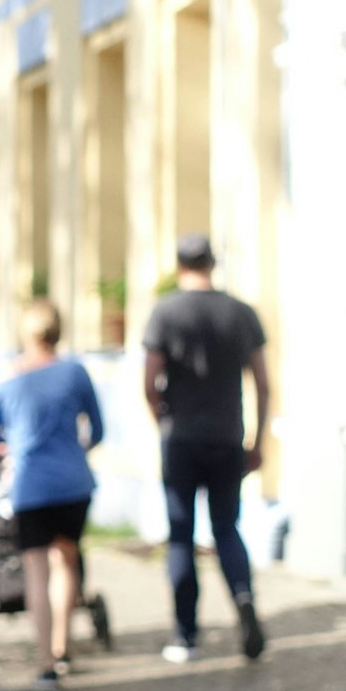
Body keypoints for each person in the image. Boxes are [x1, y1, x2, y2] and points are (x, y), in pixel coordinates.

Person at [142, 234, 270, 663]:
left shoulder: (166, 313)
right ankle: (244, 598)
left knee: (181, 536)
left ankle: (185, 636)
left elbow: (149, 379)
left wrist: (162, 418)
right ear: (212, 263)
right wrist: (258, 439)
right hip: (227, 437)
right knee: (227, 528)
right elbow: (264, 383)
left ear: (179, 266)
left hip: (181, 440)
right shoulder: (241, 313)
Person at [0, 299, 105, 691]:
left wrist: (4, 452)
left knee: (37, 569)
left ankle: (45, 662)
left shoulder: (4, 380)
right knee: (67, 561)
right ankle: (63, 646)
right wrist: (74, 453)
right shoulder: (75, 373)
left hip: (31, 485)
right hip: (74, 483)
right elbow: (97, 429)